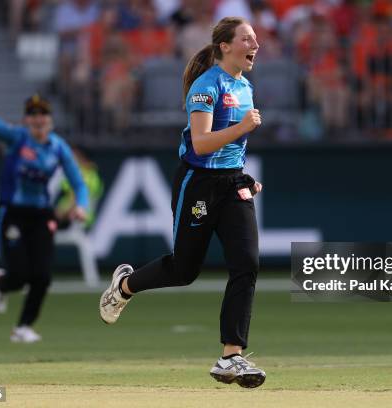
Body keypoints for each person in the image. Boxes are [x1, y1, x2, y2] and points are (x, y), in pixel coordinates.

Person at [98, 17, 266, 388]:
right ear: (225, 46)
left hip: (232, 184)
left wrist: (244, 174)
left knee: (247, 263)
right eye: (247, 38)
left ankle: (231, 357)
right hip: (199, 185)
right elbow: (202, 144)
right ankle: (125, 286)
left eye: (255, 38)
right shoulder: (206, 87)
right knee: (184, 270)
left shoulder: (245, 87)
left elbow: (231, 148)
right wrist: (243, 127)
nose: (255, 44)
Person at [0, 74, 89, 343]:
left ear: (50, 119)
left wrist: (82, 206)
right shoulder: (17, 138)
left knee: (42, 277)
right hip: (12, 214)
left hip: (41, 214)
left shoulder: (58, 147)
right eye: (32, 114)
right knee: (19, 276)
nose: (38, 119)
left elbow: (78, 182)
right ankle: (1, 283)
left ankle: (23, 327)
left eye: (42, 114)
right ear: (25, 119)